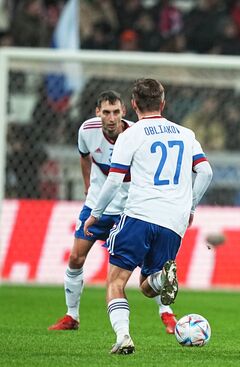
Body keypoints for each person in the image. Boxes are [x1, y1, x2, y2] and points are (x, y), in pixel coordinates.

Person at [83, 79, 213, 354]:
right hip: (174, 221)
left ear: (132, 105)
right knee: (146, 286)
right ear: (163, 104)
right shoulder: (185, 133)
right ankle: (160, 279)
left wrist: (95, 214)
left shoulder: (130, 134)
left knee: (116, 282)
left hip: (140, 214)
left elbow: (114, 181)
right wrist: (190, 207)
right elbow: (206, 173)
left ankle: (123, 337)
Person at [48, 90, 179, 334]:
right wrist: (88, 187)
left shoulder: (134, 135)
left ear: (124, 112)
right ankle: (71, 315)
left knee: (149, 269)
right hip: (98, 204)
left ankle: (166, 313)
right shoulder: (86, 131)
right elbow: (84, 157)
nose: (111, 118)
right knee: (76, 257)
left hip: (130, 209)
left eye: (116, 112)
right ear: (98, 113)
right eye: (106, 112)